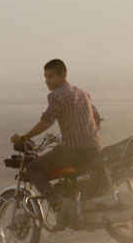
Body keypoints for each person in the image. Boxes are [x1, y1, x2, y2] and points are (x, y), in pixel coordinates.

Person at [10, 58, 102, 228]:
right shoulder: (83, 93)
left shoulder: (56, 95)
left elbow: (47, 121)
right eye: (45, 77)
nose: (47, 81)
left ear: (63, 75)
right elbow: (96, 118)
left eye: (51, 76)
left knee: (32, 169)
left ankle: (59, 203)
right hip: (94, 149)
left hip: (73, 151)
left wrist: (24, 138)